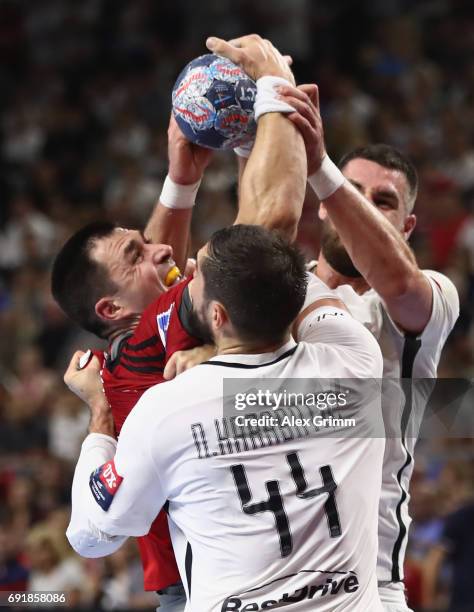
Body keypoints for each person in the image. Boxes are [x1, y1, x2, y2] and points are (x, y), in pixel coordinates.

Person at [52, 34, 307, 611]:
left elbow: (164, 282)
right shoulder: (149, 348)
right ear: (110, 310)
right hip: (221, 589)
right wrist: (272, 91)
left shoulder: (131, 355)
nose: (162, 252)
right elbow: (267, 232)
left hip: (219, 581)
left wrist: (182, 179)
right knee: (391, 404)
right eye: (134, 256)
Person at [65, 223, 385, 612]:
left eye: (198, 274)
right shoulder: (357, 359)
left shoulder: (167, 409)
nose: (185, 268)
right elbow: (301, 285)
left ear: (216, 317)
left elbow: (91, 536)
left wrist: (99, 415)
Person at [268, 84, 460, 611]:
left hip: (370, 588)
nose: (364, 208)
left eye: (383, 202)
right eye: (352, 194)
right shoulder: (279, 293)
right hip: (263, 581)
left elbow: (399, 286)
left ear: (408, 225)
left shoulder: (433, 295)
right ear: (325, 209)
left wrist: (323, 171)